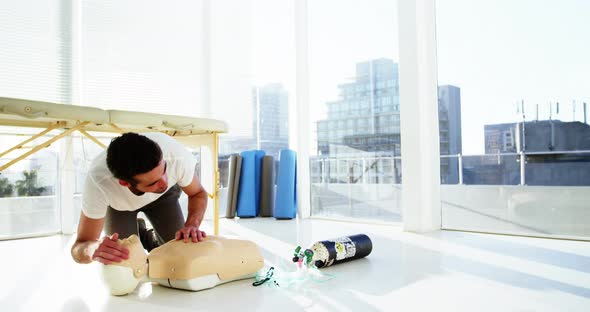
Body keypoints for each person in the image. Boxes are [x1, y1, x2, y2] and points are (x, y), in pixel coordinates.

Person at [71, 132, 208, 265]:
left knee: (179, 253)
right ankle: (136, 229)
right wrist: (92, 249)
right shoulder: (99, 183)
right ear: (125, 183)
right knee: (124, 260)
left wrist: (192, 225)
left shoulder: (176, 156)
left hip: (164, 198)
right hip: (119, 206)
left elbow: (198, 194)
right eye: (153, 182)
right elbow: (79, 247)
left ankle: (146, 236)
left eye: (164, 170)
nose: (164, 183)